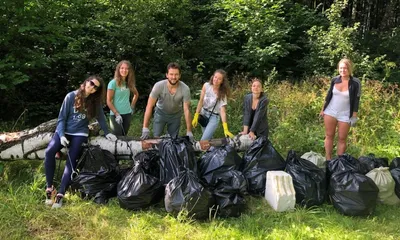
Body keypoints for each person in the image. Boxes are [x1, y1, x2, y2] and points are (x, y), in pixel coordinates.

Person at [44, 76, 117, 208]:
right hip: (64, 131)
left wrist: (108, 133)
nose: (92, 87)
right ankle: (49, 188)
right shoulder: (71, 96)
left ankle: (61, 194)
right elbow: (61, 119)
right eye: (91, 84)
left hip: (80, 133)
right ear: (85, 82)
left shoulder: (94, 102)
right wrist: (61, 136)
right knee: (49, 151)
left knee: (71, 160)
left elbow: (101, 118)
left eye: (96, 87)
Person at [320, 58, 361, 160]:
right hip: (330, 112)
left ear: (350, 69)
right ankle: (328, 159)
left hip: (345, 114)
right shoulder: (335, 80)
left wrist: (354, 115)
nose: (343, 70)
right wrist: (322, 109)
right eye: (341, 68)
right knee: (329, 135)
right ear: (338, 69)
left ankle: (339, 162)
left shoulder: (356, 83)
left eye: (345, 68)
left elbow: (356, 99)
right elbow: (329, 95)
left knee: (342, 139)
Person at [140, 62, 193, 140]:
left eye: (176, 74)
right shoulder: (158, 86)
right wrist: (145, 127)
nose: (174, 77)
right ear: (167, 75)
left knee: (173, 140)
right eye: (171, 74)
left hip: (175, 116)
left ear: (180, 75)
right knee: (156, 138)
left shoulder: (185, 89)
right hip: (160, 113)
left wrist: (189, 131)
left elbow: (186, 110)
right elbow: (149, 106)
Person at [192, 69, 234, 140]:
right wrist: (196, 116)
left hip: (214, 117)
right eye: (215, 77)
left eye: (219, 79)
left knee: (203, 140)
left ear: (222, 81)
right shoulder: (206, 86)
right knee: (209, 140)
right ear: (213, 77)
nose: (216, 80)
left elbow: (222, 111)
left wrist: (225, 128)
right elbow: (201, 101)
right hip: (203, 115)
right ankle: (212, 151)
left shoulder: (222, 93)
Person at [107, 60, 139, 136]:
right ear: (118, 69)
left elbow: (136, 94)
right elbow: (108, 100)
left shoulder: (129, 82)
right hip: (116, 115)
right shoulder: (113, 83)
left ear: (129, 71)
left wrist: (132, 107)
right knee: (117, 137)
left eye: (126, 68)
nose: (124, 70)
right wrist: (116, 113)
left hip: (127, 113)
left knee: (124, 136)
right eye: (122, 68)